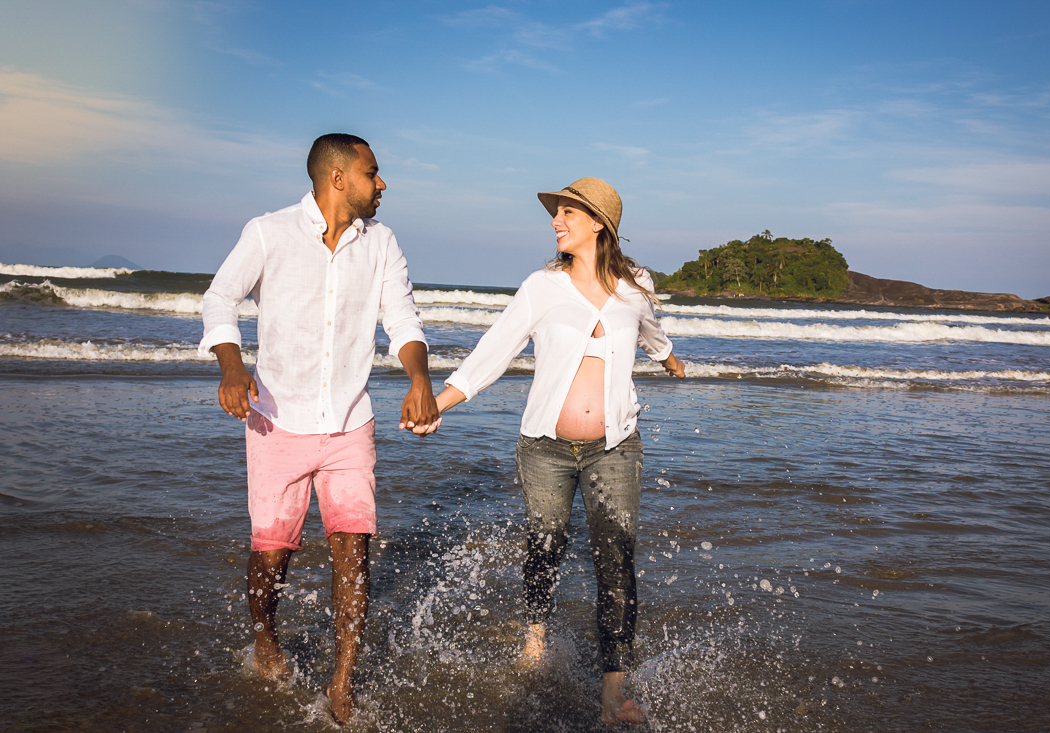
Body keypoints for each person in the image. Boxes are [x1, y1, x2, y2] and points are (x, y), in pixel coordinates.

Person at [198, 133, 440, 724]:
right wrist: (232, 369)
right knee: (271, 555)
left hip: (350, 423)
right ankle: (265, 640)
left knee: (354, 548)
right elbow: (219, 300)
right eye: (373, 173)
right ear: (338, 178)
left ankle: (342, 681)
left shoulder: (381, 243)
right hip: (276, 420)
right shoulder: (268, 232)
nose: (382, 184)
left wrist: (419, 379)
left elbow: (403, 318)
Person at [434, 177, 685, 725]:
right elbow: (494, 348)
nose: (557, 220)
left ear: (599, 224)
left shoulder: (634, 284)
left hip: (614, 448)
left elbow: (650, 329)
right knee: (545, 546)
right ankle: (535, 634)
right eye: (558, 212)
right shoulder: (541, 287)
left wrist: (668, 358)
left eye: (569, 212)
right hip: (545, 447)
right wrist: (440, 402)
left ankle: (613, 692)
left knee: (615, 561)